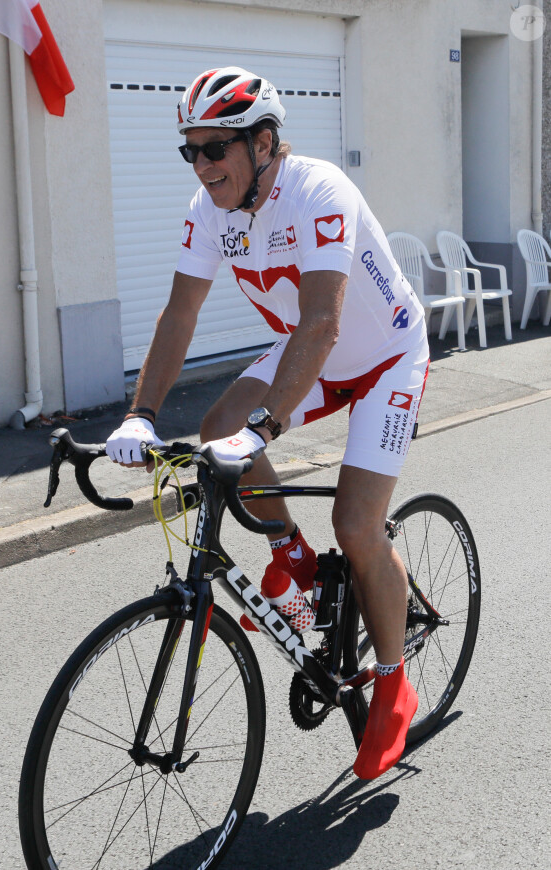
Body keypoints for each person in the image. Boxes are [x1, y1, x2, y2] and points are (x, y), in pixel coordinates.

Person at [106, 66, 429, 780]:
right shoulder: (210, 210)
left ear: (264, 141)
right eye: (190, 150)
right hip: (313, 350)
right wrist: (141, 414)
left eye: (214, 148)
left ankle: (393, 681)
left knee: (357, 523)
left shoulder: (319, 191)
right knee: (221, 423)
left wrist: (269, 426)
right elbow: (180, 315)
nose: (202, 165)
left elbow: (321, 322)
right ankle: (293, 559)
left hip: (382, 357)